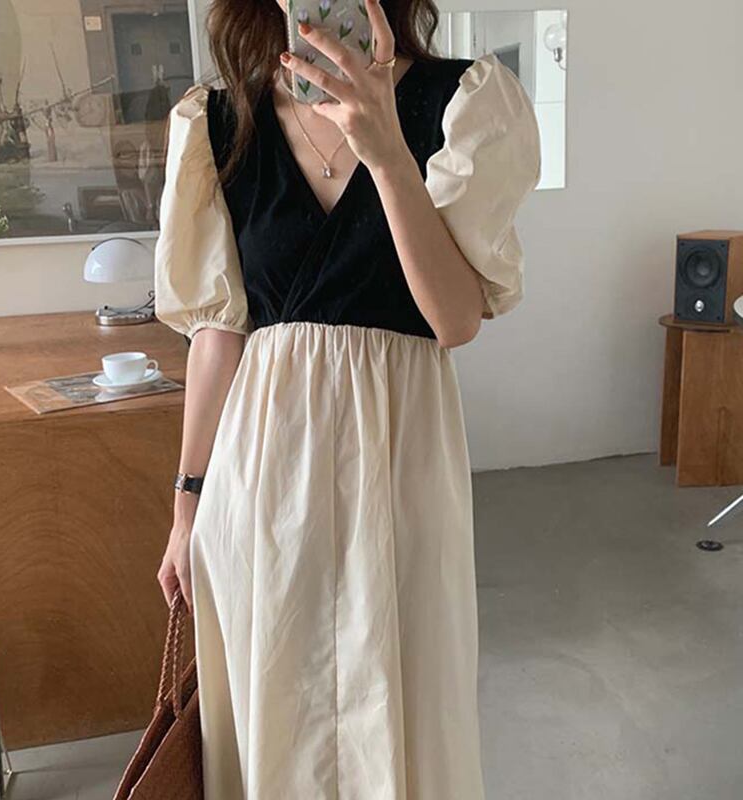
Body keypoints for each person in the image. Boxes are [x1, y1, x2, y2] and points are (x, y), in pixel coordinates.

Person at [154, 0, 541, 796]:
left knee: (399, 700)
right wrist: (187, 507)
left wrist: (388, 153)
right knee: (276, 712)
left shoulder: (461, 102)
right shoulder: (220, 123)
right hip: (260, 478)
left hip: (399, 466)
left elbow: (455, 320)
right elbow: (218, 334)